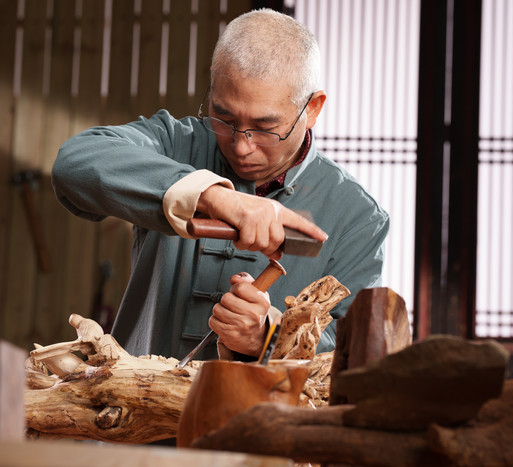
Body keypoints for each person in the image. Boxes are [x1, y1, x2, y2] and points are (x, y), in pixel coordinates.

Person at [52, 9, 389, 362]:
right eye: (224, 118)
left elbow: (352, 355)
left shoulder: (359, 218)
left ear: (313, 108)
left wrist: (269, 336)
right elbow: (74, 164)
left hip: (262, 417)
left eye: (265, 127)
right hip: (128, 404)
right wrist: (212, 195)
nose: (242, 146)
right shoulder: (175, 144)